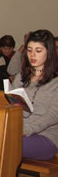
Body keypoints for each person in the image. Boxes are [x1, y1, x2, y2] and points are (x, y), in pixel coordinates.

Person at [12, 29, 58, 160]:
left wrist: (24, 129)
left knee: (5, 143)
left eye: (38, 51)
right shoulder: (20, 78)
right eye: (29, 50)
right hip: (18, 132)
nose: (32, 55)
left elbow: (52, 116)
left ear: (49, 52)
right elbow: (15, 108)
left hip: (46, 137)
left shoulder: (56, 82)